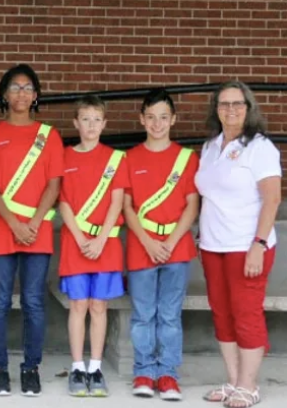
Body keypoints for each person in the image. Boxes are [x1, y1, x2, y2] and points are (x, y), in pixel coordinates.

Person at [196, 81, 282, 408]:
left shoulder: (260, 148)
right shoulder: (211, 146)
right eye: (223, 104)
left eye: (237, 103)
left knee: (246, 314)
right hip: (213, 246)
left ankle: (249, 385)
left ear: (249, 108)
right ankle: (233, 381)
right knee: (222, 313)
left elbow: (272, 198)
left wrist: (259, 243)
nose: (230, 109)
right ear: (215, 109)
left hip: (247, 246)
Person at [0, 64, 63, 397]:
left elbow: (54, 183)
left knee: (33, 302)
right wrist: (14, 223)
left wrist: (32, 223)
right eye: (14, 87)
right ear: (4, 94)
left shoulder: (50, 135)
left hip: (37, 230)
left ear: (36, 95)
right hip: (3, 229)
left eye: (28, 87)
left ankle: (31, 368)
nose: (21, 93)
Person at [123, 89, 199, 401]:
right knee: (143, 313)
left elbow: (192, 206)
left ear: (173, 120)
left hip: (176, 246)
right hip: (142, 245)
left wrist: (167, 241)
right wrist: (148, 242)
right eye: (151, 117)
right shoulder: (130, 157)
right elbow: (127, 207)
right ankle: (143, 371)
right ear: (142, 119)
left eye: (163, 118)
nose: (157, 124)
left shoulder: (187, 158)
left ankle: (167, 374)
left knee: (169, 313)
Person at [57, 96, 128, 397]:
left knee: (99, 306)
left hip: (106, 243)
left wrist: (100, 239)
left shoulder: (116, 159)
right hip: (76, 242)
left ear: (104, 124)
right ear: (76, 123)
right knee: (78, 305)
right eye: (84, 119)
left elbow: (117, 201)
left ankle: (95, 367)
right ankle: (77, 367)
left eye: (96, 119)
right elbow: (62, 203)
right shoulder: (64, 156)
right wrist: (82, 237)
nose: (90, 125)